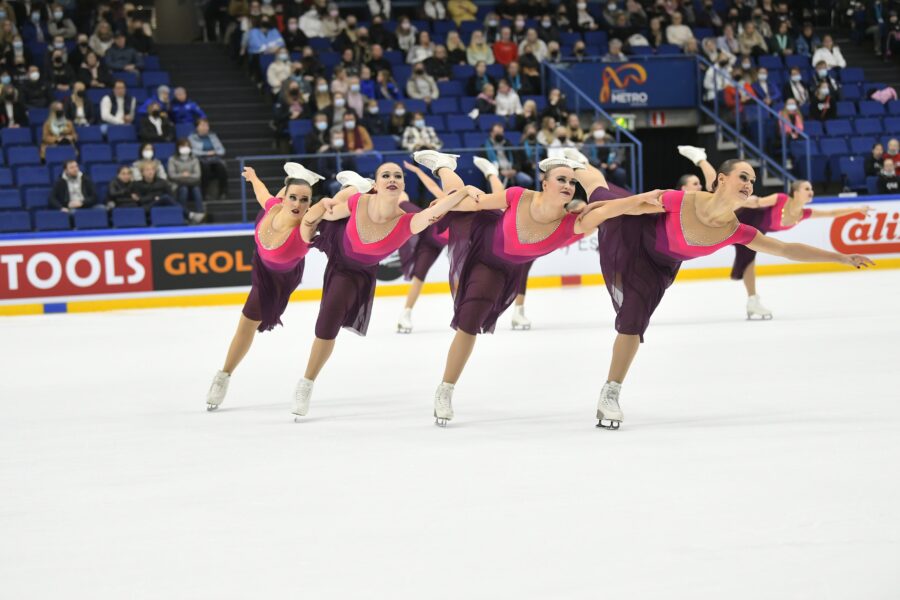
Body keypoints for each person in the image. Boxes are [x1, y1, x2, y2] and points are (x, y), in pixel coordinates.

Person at [590, 159, 873, 429]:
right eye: (743, 176)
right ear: (721, 180)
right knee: (601, 192)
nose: (750, 183)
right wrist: (599, 210)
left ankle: (610, 392)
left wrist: (841, 258)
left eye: (752, 180)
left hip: (655, 268)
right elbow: (636, 204)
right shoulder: (683, 199)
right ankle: (577, 166)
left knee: (633, 323)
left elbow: (785, 249)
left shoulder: (736, 231)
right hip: (634, 234)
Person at [411, 149, 658, 426]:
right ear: (545, 183)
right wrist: (448, 204)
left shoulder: (572, 223)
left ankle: (446, 168)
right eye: (561, 179)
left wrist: (639, 199)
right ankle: (445, 390)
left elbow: (610, 209)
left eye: (572, 182)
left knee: (474, 320)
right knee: (468, 317)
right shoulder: (518, 195)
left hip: (506, 270)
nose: (567, 185)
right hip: (483, 244)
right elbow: (478, 202)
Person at [290, 167, 475, 420]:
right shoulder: (359, 202)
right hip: (338, 243)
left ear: (401, 186)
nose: (392, 179)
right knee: (324, 319)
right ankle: (306, 383)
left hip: (360, 272)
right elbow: (331, 214)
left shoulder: (407, 221)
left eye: (398, 176)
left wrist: (464, 190)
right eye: (386, 175)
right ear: (376, 184)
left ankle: (352, 184)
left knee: (329, 325)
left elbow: (435, 212)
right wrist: (317, 214)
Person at [206, 164, 325, 411]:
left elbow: (324, 207)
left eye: (305, 200)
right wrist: (253, 177)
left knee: (248, 322)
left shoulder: (305, 227)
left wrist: (356, 191)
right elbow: (262, 194)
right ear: (283, 198)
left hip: (281, 278)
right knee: (245, 325)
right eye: (292, 197)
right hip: (262, 265)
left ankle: (223, 375)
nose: (298, 204)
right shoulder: (273, 207)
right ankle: (223, 375)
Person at [729, 180, 871, 319]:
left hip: (754, 231)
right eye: (807, 189)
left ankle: (753, 300)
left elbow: (831, 213)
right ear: (796, 193)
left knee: (748, 259)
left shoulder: (804, 213)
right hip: (744, 217)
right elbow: (756, 203)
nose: (811, 192)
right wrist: (729, 205)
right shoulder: (781, 199)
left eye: (811, 189)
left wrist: (857, 209)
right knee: (747, 258)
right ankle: (753, 300)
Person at [482, 123, 533, 187]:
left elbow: (517, 159)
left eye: (501, 132)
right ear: (491, 133)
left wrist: (515, 170)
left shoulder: (508, 143)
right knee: (494, 182)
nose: (499, 134)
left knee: (527, 180)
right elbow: (486, 163)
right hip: (497, 172)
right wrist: (500, 171)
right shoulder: (485, 147)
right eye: (497, 132)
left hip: (512, 171)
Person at [167, 138, 206, 223]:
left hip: (192, 183)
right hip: (178, 184)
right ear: (178, 148)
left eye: (187, 146)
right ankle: (184, 215)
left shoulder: (194, 159)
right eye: (182, 146)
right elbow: (172, 175)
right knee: (183, 189)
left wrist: (184, 176)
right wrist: (184, 175)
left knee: (196, 189)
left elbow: (197, 175)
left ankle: (200, 213)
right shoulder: (172, 159)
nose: (185, 148)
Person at [189, 118, 228, 201]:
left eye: (206, 125)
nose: (205, 127)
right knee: (205, 168)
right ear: (197, 127)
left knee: (221, 167)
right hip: (200, 160)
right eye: (202, 125)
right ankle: (204, 193)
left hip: (214, 159)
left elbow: (222, 150)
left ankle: (223, 192)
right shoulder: (192, 137)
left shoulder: (212, 136)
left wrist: (215, 152)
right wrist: (206, 153)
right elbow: (192, 152)